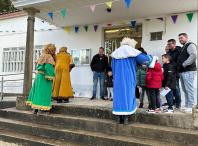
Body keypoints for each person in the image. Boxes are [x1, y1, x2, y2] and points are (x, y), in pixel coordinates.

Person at [111, 37, 156, 125]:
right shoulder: (132, 51)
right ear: (130, 44)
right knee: (128, 95)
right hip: (128, 78)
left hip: (117, 79)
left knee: (118, 96)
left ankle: (119, 119)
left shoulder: (115, 54)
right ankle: (126, 119)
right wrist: (152, 57)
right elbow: (148, 61)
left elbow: (113, 68)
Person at [26, 44, 56, 115]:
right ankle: (42, 110)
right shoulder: (48, 56)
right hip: (44, 76)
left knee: (37, 92)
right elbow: (48, 67)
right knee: (44, 92)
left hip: (38, 76)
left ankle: (35, 109)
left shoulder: (42, 56)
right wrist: (51, 75)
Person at [177, 33, 197, 113]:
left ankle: (191, 106)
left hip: (188, 71)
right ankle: (187, 105)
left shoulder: (190, 45)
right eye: (179, 38)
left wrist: (184, 64)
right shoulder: (184, 46)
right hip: (183, 71)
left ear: (186, 37)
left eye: (181, 38)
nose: (180, 39)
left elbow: (193, 55)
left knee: (189, 89)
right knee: (185, 90)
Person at [166, 39, 182, 109]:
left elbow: (179, 62)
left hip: (175, 73)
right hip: (168, 73)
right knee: (168, 88)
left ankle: (178, 103)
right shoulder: (169, 52)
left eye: (169, 44)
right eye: (168, 44)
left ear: (174, 44)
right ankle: (170, 103)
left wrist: (171, 64)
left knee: (176, 89)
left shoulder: (179, 51)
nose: (168, 46)